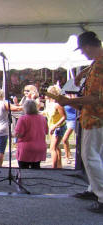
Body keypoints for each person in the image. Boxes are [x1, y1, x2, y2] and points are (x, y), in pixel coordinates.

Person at [56, 31, 103, 213]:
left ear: (88, 47)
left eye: (83, 51)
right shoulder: (96, 64)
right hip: (95, 118)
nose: (83, 54)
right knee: (97, 156)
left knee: (89, 156)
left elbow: (94, 98)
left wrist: (69, 102)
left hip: (95, 117)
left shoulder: (99, 67)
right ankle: (94, 189)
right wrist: (83, 72)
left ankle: (101, 196)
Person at [14, 100, 48, 169]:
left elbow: (18, 134)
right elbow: (46, 131)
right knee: (36, 169)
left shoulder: (23, 119)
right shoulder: (42, 118)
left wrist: (13, 134)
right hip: (39, 147)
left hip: (26, 149)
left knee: (23, 170)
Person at [44, 85, 66, 169]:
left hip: (58, 128)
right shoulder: (49, 103)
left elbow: (64, 117)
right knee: (56, 147)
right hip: (52, 127)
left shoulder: (58, 105)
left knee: (52, 148)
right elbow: (45, 113)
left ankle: (54, 168)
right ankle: (59, 165)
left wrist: (55, 126)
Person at [62, 94, 76, 164]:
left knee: (65, 139)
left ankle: (67, 158)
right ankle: (68, 153)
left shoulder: (73, 97)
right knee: (65, 139)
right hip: (66, 120)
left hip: (72, 120)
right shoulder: (64, 96)